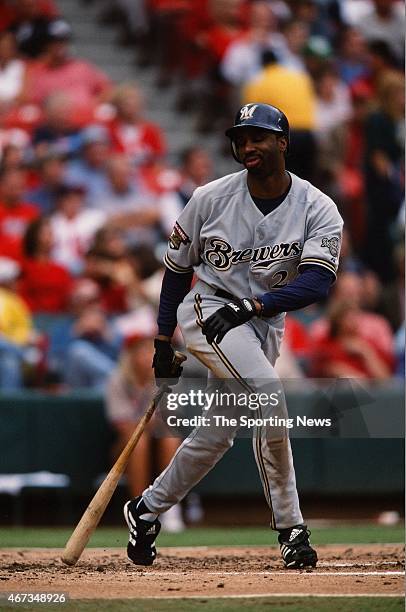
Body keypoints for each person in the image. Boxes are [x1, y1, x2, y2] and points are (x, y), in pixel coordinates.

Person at [123, 103, 343, 569]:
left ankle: (145, 510)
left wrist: (258, 306)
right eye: (240, 138)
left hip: (263, 320)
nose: (247, 146)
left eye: (258, 137)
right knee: (268, 394)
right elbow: (176, 272)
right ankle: (291, 527)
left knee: (217, 434)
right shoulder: (209, 197)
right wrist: (163, 340)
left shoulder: (317, 206)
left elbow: (318, 280)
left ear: (282, 143)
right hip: (212, 308)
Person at [106, 332, 186, 532]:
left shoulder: (164, 379)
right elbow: (122, 425)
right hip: (125, 450)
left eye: (150, 351)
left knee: (170, 437)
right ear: (130, 355)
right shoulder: (118, 380)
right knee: (139, 441)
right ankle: (140, 508)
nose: (146, 356)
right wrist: (148, 422)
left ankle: (170, 508)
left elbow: (171, 418)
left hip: (158, 441)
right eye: (141, 351)